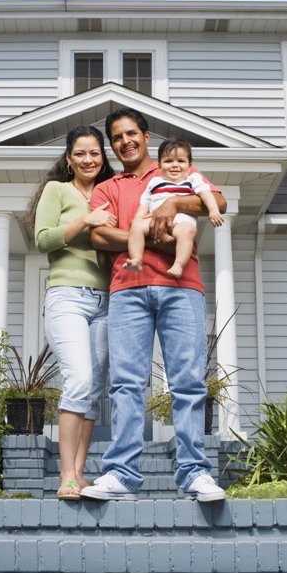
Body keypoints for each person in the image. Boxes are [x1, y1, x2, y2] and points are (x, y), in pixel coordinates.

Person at [80, 108, 227, 502]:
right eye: (116, 137)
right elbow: (98, 236)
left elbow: (218, 201)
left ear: (146, 137)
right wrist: (145, 235)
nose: (124, 141)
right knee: (126, 383)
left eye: (131, 133)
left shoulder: (173, 168)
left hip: (182, 287)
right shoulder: (108, 187)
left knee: (188, 382)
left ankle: (195, 473)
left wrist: (173, 207)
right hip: (127, 289)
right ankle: (121, 474)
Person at [29, 125, 116, 500]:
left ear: (102, 156)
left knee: (93, 389)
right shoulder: (57, 190)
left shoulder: (108, 193)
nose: (88, 159)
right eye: (80, 153)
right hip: (66, 296)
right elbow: (43, 238)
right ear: (69, 158)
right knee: (79, 377)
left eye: (95, 153)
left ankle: (80, 475)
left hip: (105, 300)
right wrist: (86, 220)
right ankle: (65, 475)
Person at [123, 138, 224, 278]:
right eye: (168, 161)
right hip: (155, 221)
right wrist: (137, 220)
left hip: (182, 223)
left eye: (180, 161)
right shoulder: (155, 182)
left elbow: (205, 194)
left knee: (188, 231)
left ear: (190, 166)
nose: (174, 165)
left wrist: (213, 210)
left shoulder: (192, 179)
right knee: (136, 227)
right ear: (159, 166)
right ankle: (136, 259)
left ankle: (179, 263)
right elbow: (144, 203)